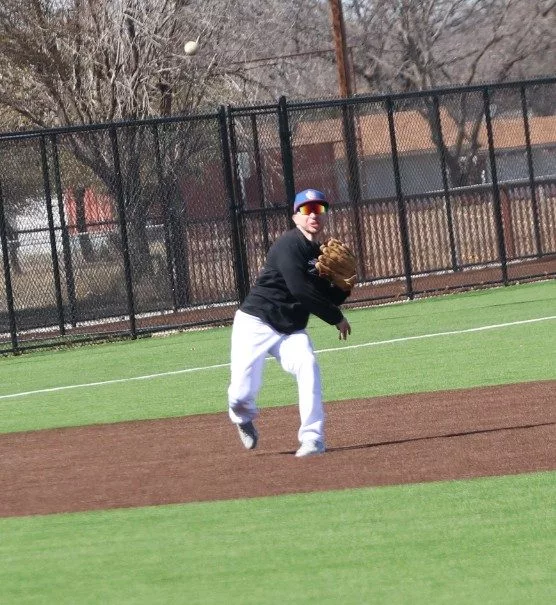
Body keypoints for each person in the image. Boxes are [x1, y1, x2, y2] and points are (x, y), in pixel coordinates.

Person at [227, 188, 353, 457]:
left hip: (291, 330)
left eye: (319, 209)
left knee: (308, 364)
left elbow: (326, 295)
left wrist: (344, 287)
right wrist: (336, 317)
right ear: (295, 216)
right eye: (307, 210)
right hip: (256, 323)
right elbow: (300, 290)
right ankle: (242, 418)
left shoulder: (319, 254)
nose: (314, 215)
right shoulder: (288, 245)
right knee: (239, 395)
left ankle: (313, 439)